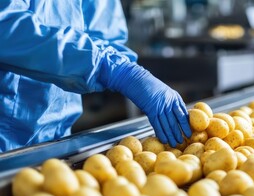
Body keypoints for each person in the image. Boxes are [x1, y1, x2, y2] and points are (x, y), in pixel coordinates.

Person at [0, 1, 192, 152]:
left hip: (58, 138)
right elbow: (7, 27)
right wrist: (110, 68)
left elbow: (106, 35)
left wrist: (121, 66)